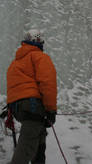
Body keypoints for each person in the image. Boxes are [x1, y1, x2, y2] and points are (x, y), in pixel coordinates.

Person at [7, 29, 57, 164]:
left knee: (38, 137)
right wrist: (51, 109)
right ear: (36, 41)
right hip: (32, 106)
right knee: (27, 144)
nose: (42, 43)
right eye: (40, 40)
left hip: (18, 108)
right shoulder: (39, 57)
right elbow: (48, 83)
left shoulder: (15, 63)